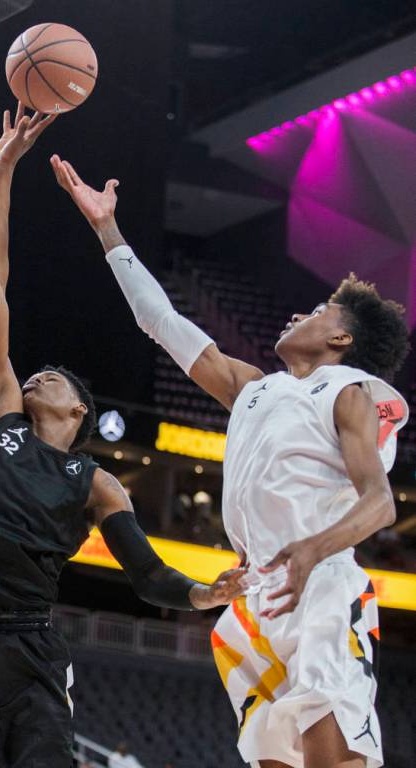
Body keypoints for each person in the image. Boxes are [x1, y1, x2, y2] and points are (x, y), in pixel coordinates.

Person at [0, 106, 246, 768]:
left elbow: (146, 575)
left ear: (80, 412)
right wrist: (2, 167)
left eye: (51, 377)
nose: (35, 376)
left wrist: (204, 595)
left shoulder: (98, 484)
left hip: (33, 652)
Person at [51, 155, 410, 768]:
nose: (299, 315)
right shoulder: (255, 387)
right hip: (255, 590)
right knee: (272, 758)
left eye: (319, 311)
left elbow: (380, 503)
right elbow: (158, 321)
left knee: (335, 759)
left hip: (319, 582)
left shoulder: (348, 390)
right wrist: (108, 230)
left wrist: (312, 549)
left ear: (341, 340)